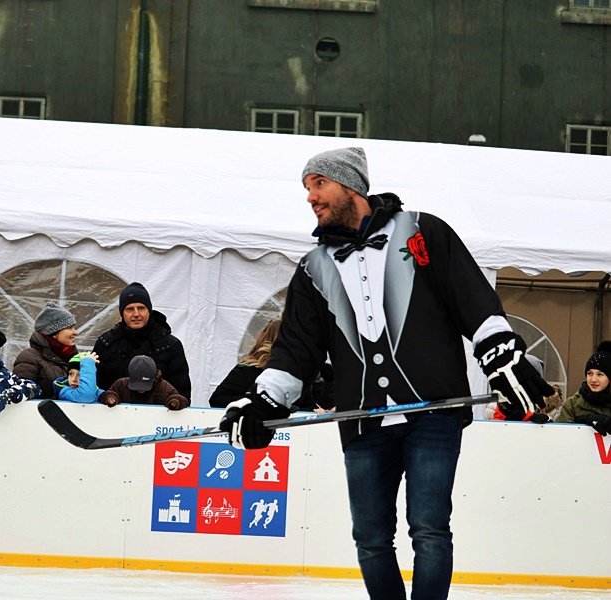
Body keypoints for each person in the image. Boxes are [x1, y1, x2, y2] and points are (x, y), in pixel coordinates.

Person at [218, 147, 552, 600]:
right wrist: (263, 401)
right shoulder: (312, 269)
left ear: (350, 185)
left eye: (318, 184)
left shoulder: (422, 231)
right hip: (361, 421)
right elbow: (296, 350)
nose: (311, 198)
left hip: (434, 413)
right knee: (371, 540)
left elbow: (471, 298)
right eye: (307, 188)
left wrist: (500, 352)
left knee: (430, 529)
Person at [209, 319, 334, 411]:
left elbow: (320, 403)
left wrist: (330, 380)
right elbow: (217, 399)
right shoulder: (249, 369)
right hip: (261, 432)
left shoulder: (301, 373)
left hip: (296, 437)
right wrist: (258, 402)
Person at [93, 282, 191, 398]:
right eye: (129, 309)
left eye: (141, 308)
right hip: (112, 412)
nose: (136, 314)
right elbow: (94, 388)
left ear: (149, 310)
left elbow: (182, 395)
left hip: (159, 414)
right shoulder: (106, 343)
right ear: (122, 313)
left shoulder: (171, 345)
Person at [13, 302, 78, 399]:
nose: (75, 332)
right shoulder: (29, 357)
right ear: (53, 332)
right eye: (69, 328)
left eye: (74, 327)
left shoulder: (76, 358)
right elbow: (21, 395)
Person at [555, 342, 611, 435]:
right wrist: (585, 420)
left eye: (600, 374)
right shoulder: (572, 404)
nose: (593, 379)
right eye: (589, 373)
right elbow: (563, 437)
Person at [100, 355, 189, 410]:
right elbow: (107, 394)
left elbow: (181, 399)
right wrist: (110, 398)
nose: (141, 390)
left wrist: (175, 402)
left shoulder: (163, 386)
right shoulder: (121, 384)